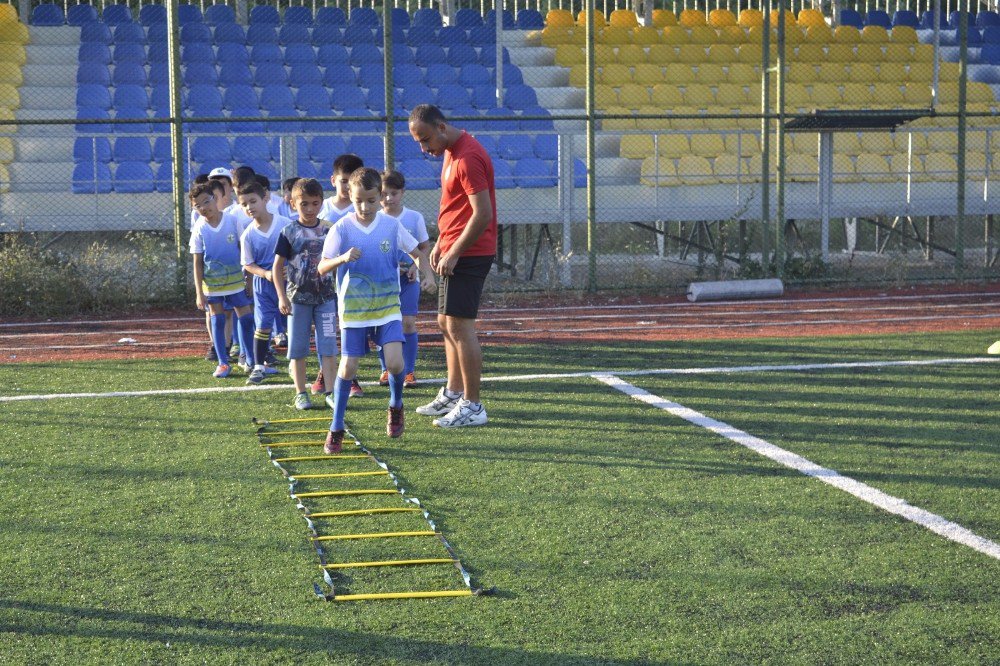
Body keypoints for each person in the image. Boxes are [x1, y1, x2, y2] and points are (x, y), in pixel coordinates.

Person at [317, 167, 435, 454]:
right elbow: (322, 266)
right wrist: (342, 258)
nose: (365, 207)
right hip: (354, 311)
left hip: (387, 307)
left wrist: (427, 274)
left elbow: (416, 251)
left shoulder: (391, 225)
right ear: (349, 195)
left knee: (395, 364)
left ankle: (395, 405)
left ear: (380, 197)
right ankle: (336, 426)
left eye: (371, 200)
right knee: (348, 367)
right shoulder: (341, 228)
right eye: (359, 200)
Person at [408, 104, 496, 428]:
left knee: (460, 325)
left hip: (471, 253)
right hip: (456, 249)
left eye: (426, 139)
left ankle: (473, 404)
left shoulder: (468, 156)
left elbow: (481, 214)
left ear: (442, 127)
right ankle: (454, 391)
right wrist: (442, 242)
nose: (424, 148)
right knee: (445, 322)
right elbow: (455, 208)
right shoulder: (450, 151)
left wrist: (455, 250)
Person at [273, 178, 339, 410]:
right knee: (298, 347)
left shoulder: (331, 229)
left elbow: (337, 262)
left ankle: (331, 391)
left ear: (321, 203)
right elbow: (276, 267)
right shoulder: (288, 231)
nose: (310, 209)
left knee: (329, 346)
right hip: (297, 301)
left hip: (327, 299)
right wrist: (282, 297)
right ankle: (301, 392)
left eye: (315, 203)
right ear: (293, 204)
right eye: (304, 204)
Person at [189, 181, 255, 379]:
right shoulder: (199, 229)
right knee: (217, 320)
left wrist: (249, 278)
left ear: (215, 199)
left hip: (236, 282)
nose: (203, 208)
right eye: (197, 205)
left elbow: (245, 250)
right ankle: (223, 362)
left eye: (206, 202)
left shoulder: (233, 220)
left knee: (246, 318)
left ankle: (249, 359)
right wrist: (199, 292)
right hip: (213, 285)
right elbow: (197, 263)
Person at [314, 153, 366, 399]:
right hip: (324, 279)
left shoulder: (363, 207)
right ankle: (325, 371)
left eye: (351, 181)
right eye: (343, 180)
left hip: (354, 282)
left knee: (348, 328)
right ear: (333, 179)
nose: (346, 186)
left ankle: (350, 377)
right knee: (326, 327)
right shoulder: (321, 207)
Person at [377, 169, 430, 389]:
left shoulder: (414, 217)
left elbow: (424, 247)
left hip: (409, 280)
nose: (388, 198)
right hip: (382, 282)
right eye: (383, 193)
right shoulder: (375, 218)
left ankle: (408, 371)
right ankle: (385, 369)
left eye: (394, 193)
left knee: (408, 323)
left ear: (403, 192)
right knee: (383, 323)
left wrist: (415, 267)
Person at [237, 179, 291, 385]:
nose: (249, 207)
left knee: (295, 322)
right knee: (263, 325)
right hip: (264, 285)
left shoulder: (284, 224)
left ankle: (298, 363)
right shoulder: (248, 234)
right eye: (244, 204)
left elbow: (297, 251)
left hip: (289, 282)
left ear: (265, 198)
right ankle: (259, 367)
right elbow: (248, 264)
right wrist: (265, 273)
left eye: (253, 201)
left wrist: (292, 267)